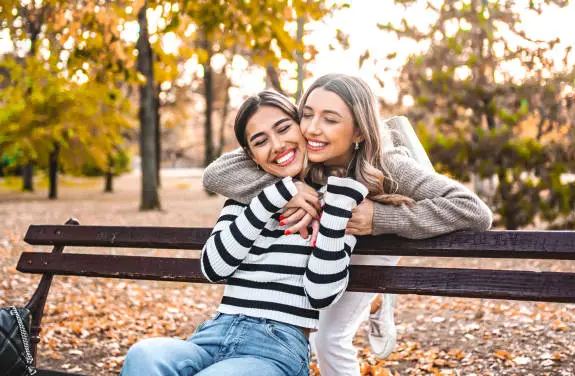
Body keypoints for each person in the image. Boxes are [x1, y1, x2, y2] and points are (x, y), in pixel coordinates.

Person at [202, 73, 493, 375]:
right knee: (317, 332)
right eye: (307, 114)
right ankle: (375, 301)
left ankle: (378, 297)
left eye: (330, 119)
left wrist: (379, 218)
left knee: (328, 338)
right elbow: (216, 173)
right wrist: (289, 193)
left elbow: (473, 210)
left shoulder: (389, 165)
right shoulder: (303, 154)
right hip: (330, 249)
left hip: (377, 239)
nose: (313, 128)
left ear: (358, 132)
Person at [120, 90, 369, 376]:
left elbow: (320, 293)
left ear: (302, 127)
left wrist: (334, 213)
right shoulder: (244, 200)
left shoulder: (334, 201)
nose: (276, 146)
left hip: (277, 349)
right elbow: (213, 267)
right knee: (144, 356)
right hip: (213, 335)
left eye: (284, 128)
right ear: (251, 155)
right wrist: (273, 197)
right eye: (260, 141)